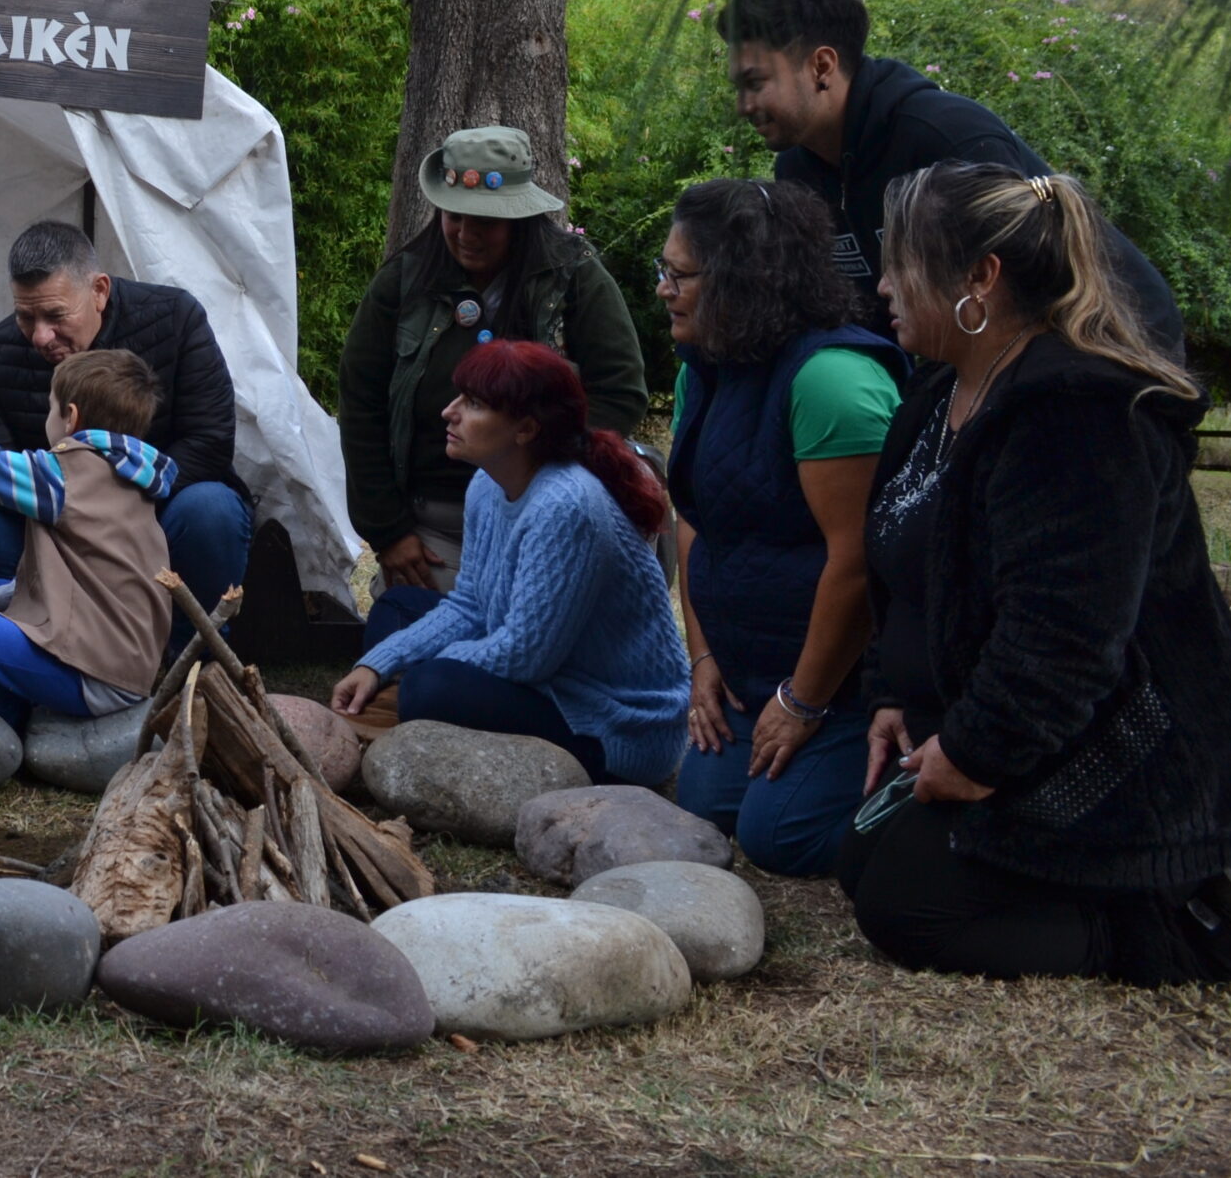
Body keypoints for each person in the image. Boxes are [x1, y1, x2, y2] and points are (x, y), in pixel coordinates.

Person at [838, 162, 1231, 983]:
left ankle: (1169, 922)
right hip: (1030, 728)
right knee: (864, 857)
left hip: (1126, 749)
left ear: (980, 277)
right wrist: (891, 694)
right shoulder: (940, 391)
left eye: (902, 262)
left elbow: (1065, 640)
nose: (883, 285)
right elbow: (904, 571)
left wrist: (974, 753)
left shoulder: (1078, 415)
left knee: (907, 904)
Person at [723, 0, 1185, 354]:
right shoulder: (798, 173)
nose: (743, 106)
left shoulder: (945, 137)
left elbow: (1026, 297)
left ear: (822, 65)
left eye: (755, 82)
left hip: (1115, 348)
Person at [664, 179, 906, 875]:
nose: (663, 289)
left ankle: (923, 792)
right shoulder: (701, 369)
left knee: (781, 837)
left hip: (847, 684)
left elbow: (860, 561)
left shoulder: (831, 379)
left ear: (741, 279)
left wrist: (802, 701)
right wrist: (703, 659)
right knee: (707, 800)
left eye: (678, 275)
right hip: (750, 668)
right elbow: (695, 518)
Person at [328, 340, 688, 788]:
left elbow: (524, 658)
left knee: (429, 685)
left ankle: (408, 708)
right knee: (397, 607)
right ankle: (402, 702)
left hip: (613, 725)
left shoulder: (565, 505)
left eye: (474, 403)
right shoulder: (487, 482)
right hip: (547, 673)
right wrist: (378, 664)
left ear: (525, 429)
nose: (450, 412)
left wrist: (418, 669)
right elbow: (470, 606)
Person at [340, 125, 646, 602]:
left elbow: (621, 391)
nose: (466, 235)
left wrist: (546, 467)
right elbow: (361, 404)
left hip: (544, 509)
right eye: (454, 217)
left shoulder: (574, 277)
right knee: (415, 636)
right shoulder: (403, 282)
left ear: (520, 220)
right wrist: (389, 531)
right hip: (434, 523)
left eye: (485, 222)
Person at [0, 220, 251, 609]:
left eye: (55, 316)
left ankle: (191, 649)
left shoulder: (175, 319)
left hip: (161, 513)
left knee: (211, 510)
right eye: (26, 316)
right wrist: (66, 507)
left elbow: (210, 441)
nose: (40, 336)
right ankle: (41, 632)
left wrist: (117, 502)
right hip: (54, 521)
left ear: (99, 291)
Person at [0, 349, 177, 732]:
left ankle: (4, 725)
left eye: (51, 408)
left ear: (70, 418)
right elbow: (82, 583)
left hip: (96, 676)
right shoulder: (131, 479)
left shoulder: (67, 473)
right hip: (122, 658)